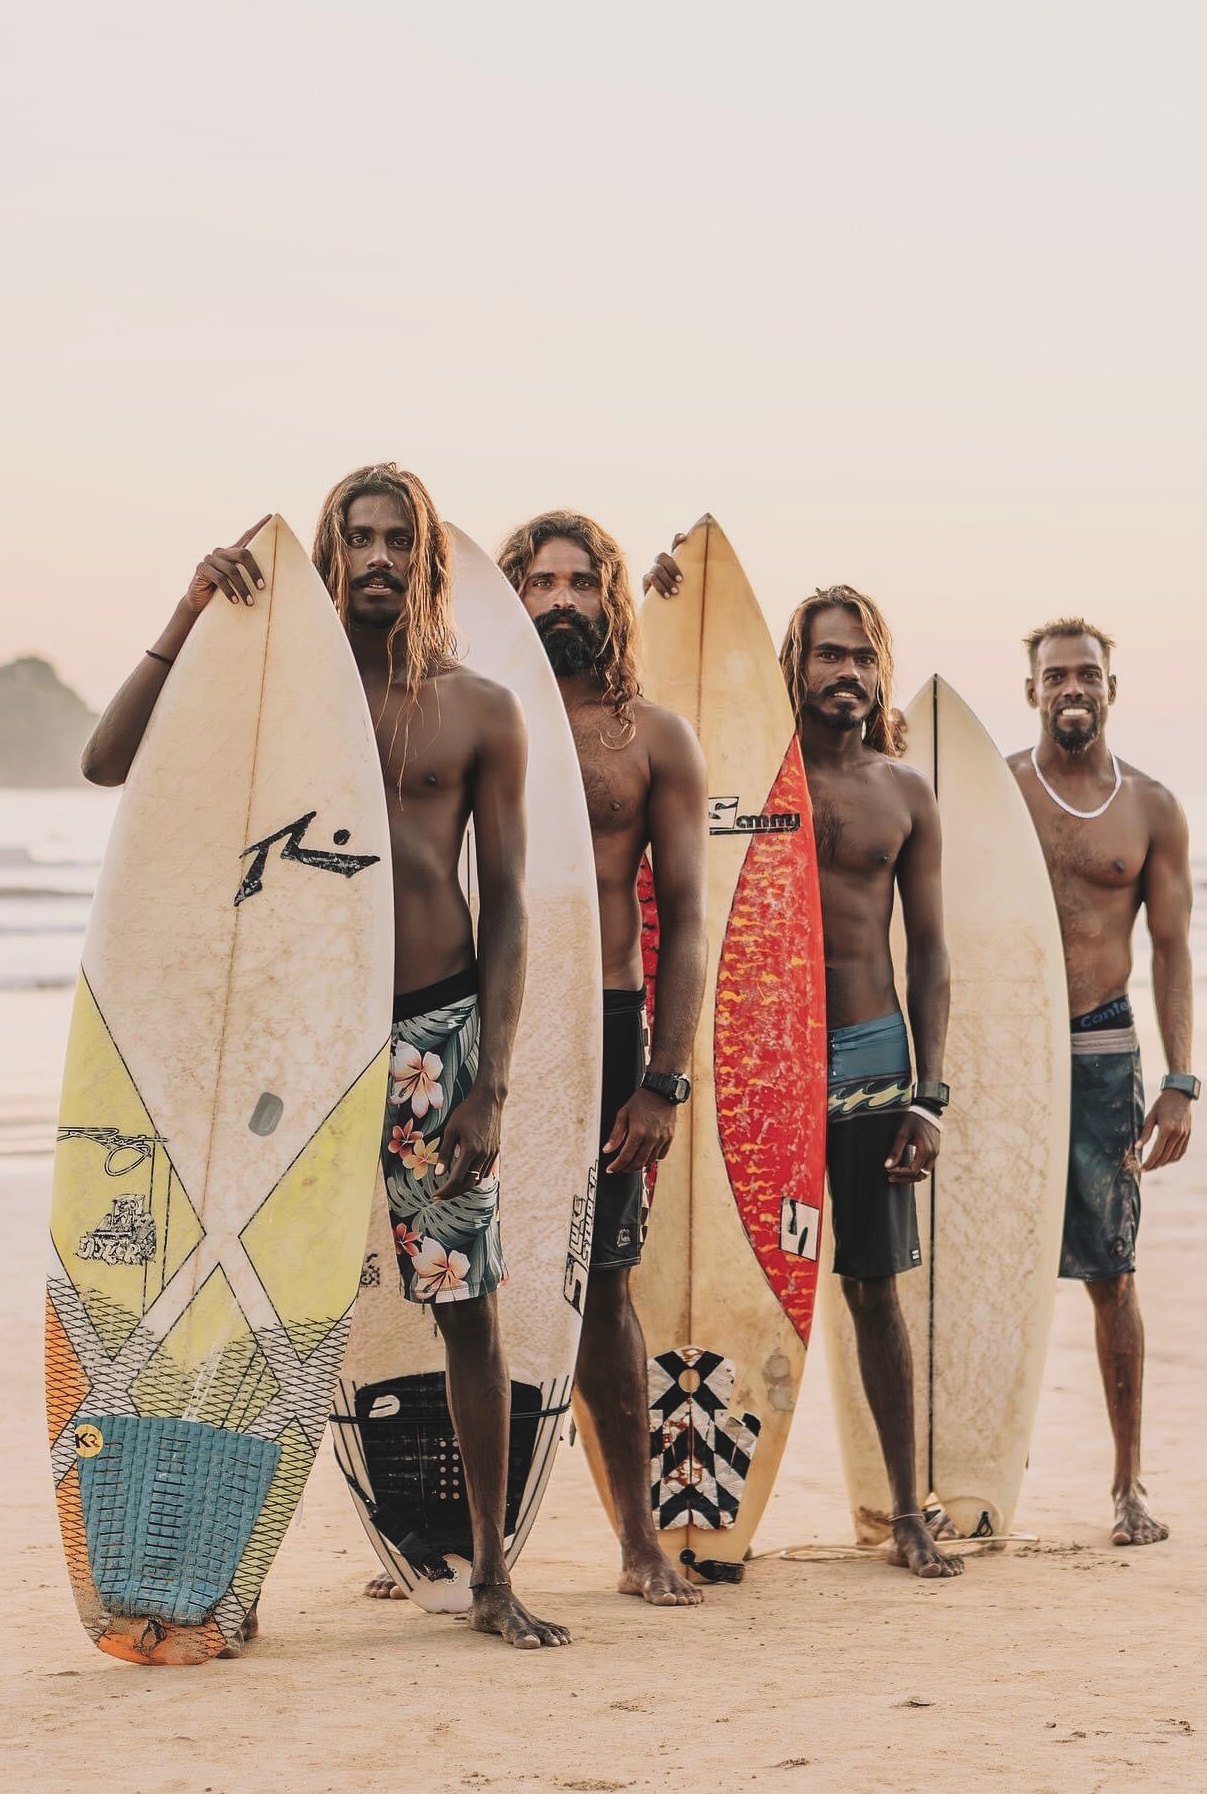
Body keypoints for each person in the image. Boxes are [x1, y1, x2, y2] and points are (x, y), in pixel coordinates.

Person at [82, 465, 571, 1649]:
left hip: (430, 1032)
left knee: (467, 1305)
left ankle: (495, 1573)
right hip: (296, 1038)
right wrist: (191, 609)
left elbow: (505, 908)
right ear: (327, 551)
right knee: (254, 1308)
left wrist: (490, 1083)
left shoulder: (480, 711)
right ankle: (225, 1573)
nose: (377, 559)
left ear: (427, 557)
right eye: (355, 539)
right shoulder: (271, 695)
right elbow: (109, 765)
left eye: (398, 539)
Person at [497, 512, 709, 1607]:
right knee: (465, 1276)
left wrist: (665, 1078)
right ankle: (458, 1528)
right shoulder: (471, 715)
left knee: (608, 1284)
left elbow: (685, 913)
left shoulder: (654, 740)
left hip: (606, 1024)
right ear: (509, 595)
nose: (563, 600)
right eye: (540, 582)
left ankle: (637, 1541)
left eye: (583, 581)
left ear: (612, 600)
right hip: (483, 1018)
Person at [778, 585, 961, 1578]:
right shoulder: (757, 779)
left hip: (873, 1061)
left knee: (874, 1289)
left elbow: (930, 951)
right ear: (796, 667)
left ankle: (905, 1514)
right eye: (827, 656)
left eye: (861, 657)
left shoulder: (906, 790)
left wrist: (930, 1094)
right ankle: (716, 1511)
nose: (846, 672)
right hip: (769, 1061)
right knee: (744, 1286)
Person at [1009, 618, 1195, 1547]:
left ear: (1110, 689)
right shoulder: (997, 792)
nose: (1072, 688)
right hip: (1007, 1054)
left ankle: (1128, 1487)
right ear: (1031, 689)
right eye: (1055, 676)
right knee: (986, 1268)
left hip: (1103, 1054)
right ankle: (972, 1468)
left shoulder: (1151, 808)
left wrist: (1182, 1081)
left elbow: (1170, 950)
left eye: (1088, 674)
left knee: (1112, 1272)